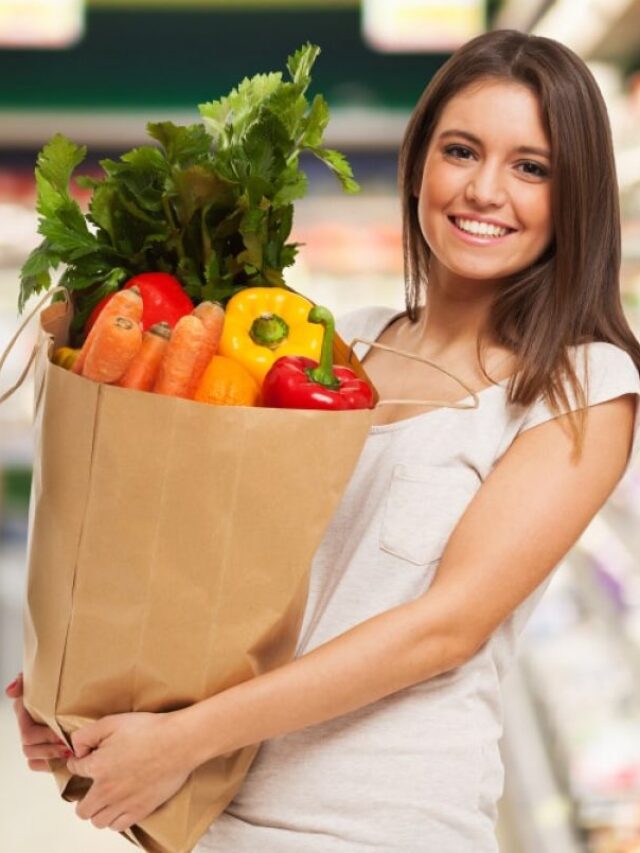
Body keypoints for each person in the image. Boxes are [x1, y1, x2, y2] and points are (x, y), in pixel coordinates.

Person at [6, 27, 640, 852]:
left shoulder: (581, 385)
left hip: (382, 827)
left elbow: (445, 626)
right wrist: (82, 680)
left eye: (532, 166)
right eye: (461, 150)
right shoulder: (345, 345)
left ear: (576, 196)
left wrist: (185, 736)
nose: (486, 189)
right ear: (419, 163)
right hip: (213, 811)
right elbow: (220, 564)